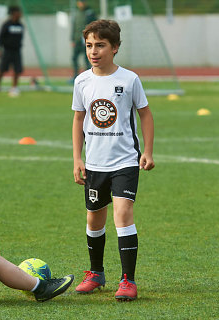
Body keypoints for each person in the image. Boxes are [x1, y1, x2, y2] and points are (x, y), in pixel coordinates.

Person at [71, 20, 155, 301]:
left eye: (100, 45)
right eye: (89, 46)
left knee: (122, 214)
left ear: (115, 48)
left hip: (125, 162)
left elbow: (144, 113)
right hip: (94, 163)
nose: (94, 51)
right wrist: (77, 158)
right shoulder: (82, 81)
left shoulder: (129, 79)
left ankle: (128, 280)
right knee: (94, 219)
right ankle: (96, 273)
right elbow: (79, 118)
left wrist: (147, 151)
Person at [0, 6, 24, 97]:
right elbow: (0, 37)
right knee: (1, 69)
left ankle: (14, 88)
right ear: (13, 13)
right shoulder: (6, 24)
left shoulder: (20, 25)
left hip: (16, 51)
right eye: (18, 12)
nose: (20, 14)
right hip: (7, 51)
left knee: (17, 70)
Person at [70, 0, 96, 82]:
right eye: (79, 2)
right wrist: (72, 39)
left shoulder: (90, 12)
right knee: (74, 58)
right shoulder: (76, 13)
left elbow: (95, 26)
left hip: (86, 41)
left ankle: (89, 77)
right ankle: (75, 76)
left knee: (87, 59)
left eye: (82, 2)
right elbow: (74, 27)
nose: (80, 4)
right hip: (77, 40)